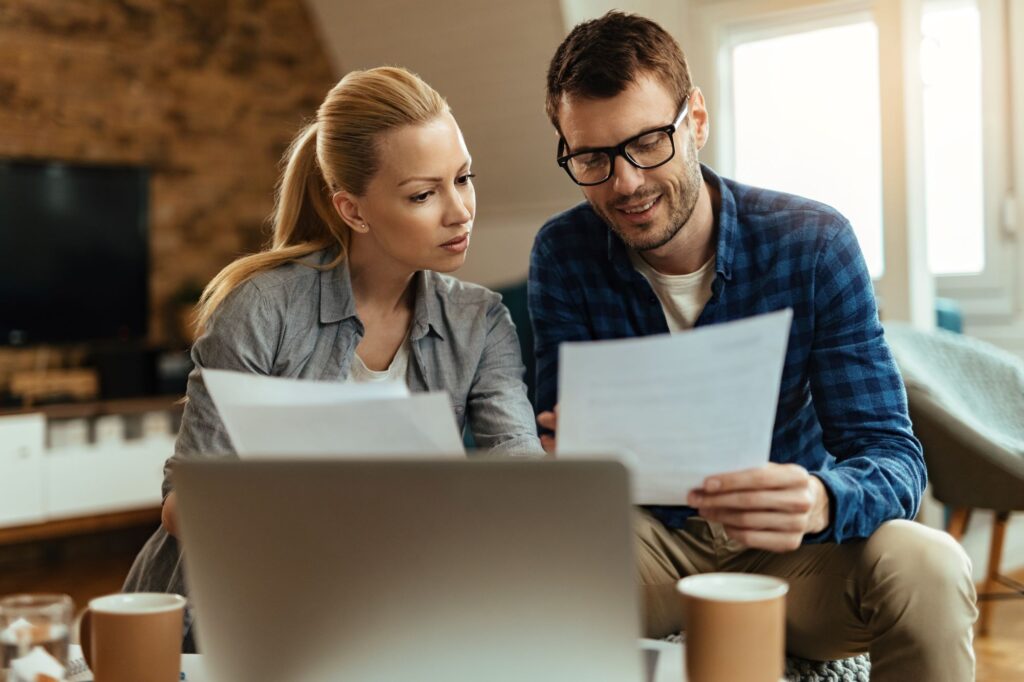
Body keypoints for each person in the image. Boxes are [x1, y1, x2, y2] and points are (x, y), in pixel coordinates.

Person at [529, 11, 977, 681]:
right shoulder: (563, 254)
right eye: (592, 157)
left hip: (790, 556)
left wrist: (822, 499)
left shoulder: (814, 244)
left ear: (696, 120)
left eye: (648, 142)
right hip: (645, 546)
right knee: (517, 575)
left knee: (931, 563)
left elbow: (894, 458)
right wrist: (558, 458)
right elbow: (552, 439)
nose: (624, 183)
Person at [124, 66, 542, 651]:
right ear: (353, 211)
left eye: (464, 179)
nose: (460, 210)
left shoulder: (481, 320)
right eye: (423, 194)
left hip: (391, 604)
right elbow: (185, 503)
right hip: (233, 610)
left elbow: (518, 464)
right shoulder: (263, 307)